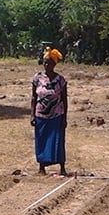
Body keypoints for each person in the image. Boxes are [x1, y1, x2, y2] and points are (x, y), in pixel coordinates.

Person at [30, 47, 68, 176]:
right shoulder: (37, 78)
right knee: (41, 140)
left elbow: (64, 99)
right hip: (40, 114)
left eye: (49, 63)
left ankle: (62, 167)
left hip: (57, 114)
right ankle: (42, 167)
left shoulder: (60, 80)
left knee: (57, 141)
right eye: (45, 62)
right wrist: (32, 115)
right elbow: (33, 98)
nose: (47, 65)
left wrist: (64, 118)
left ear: (54, 64)